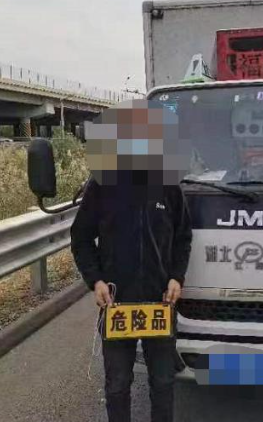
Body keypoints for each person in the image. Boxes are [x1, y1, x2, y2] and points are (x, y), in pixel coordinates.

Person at [70, 101, 193, 422]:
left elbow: (183, 237)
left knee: (163, 383)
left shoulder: (168, 185)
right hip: (117, 303)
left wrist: (176, 277)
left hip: (160, 302)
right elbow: (81, 237)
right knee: (117, 385)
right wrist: (95, 280)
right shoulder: (102, 185)